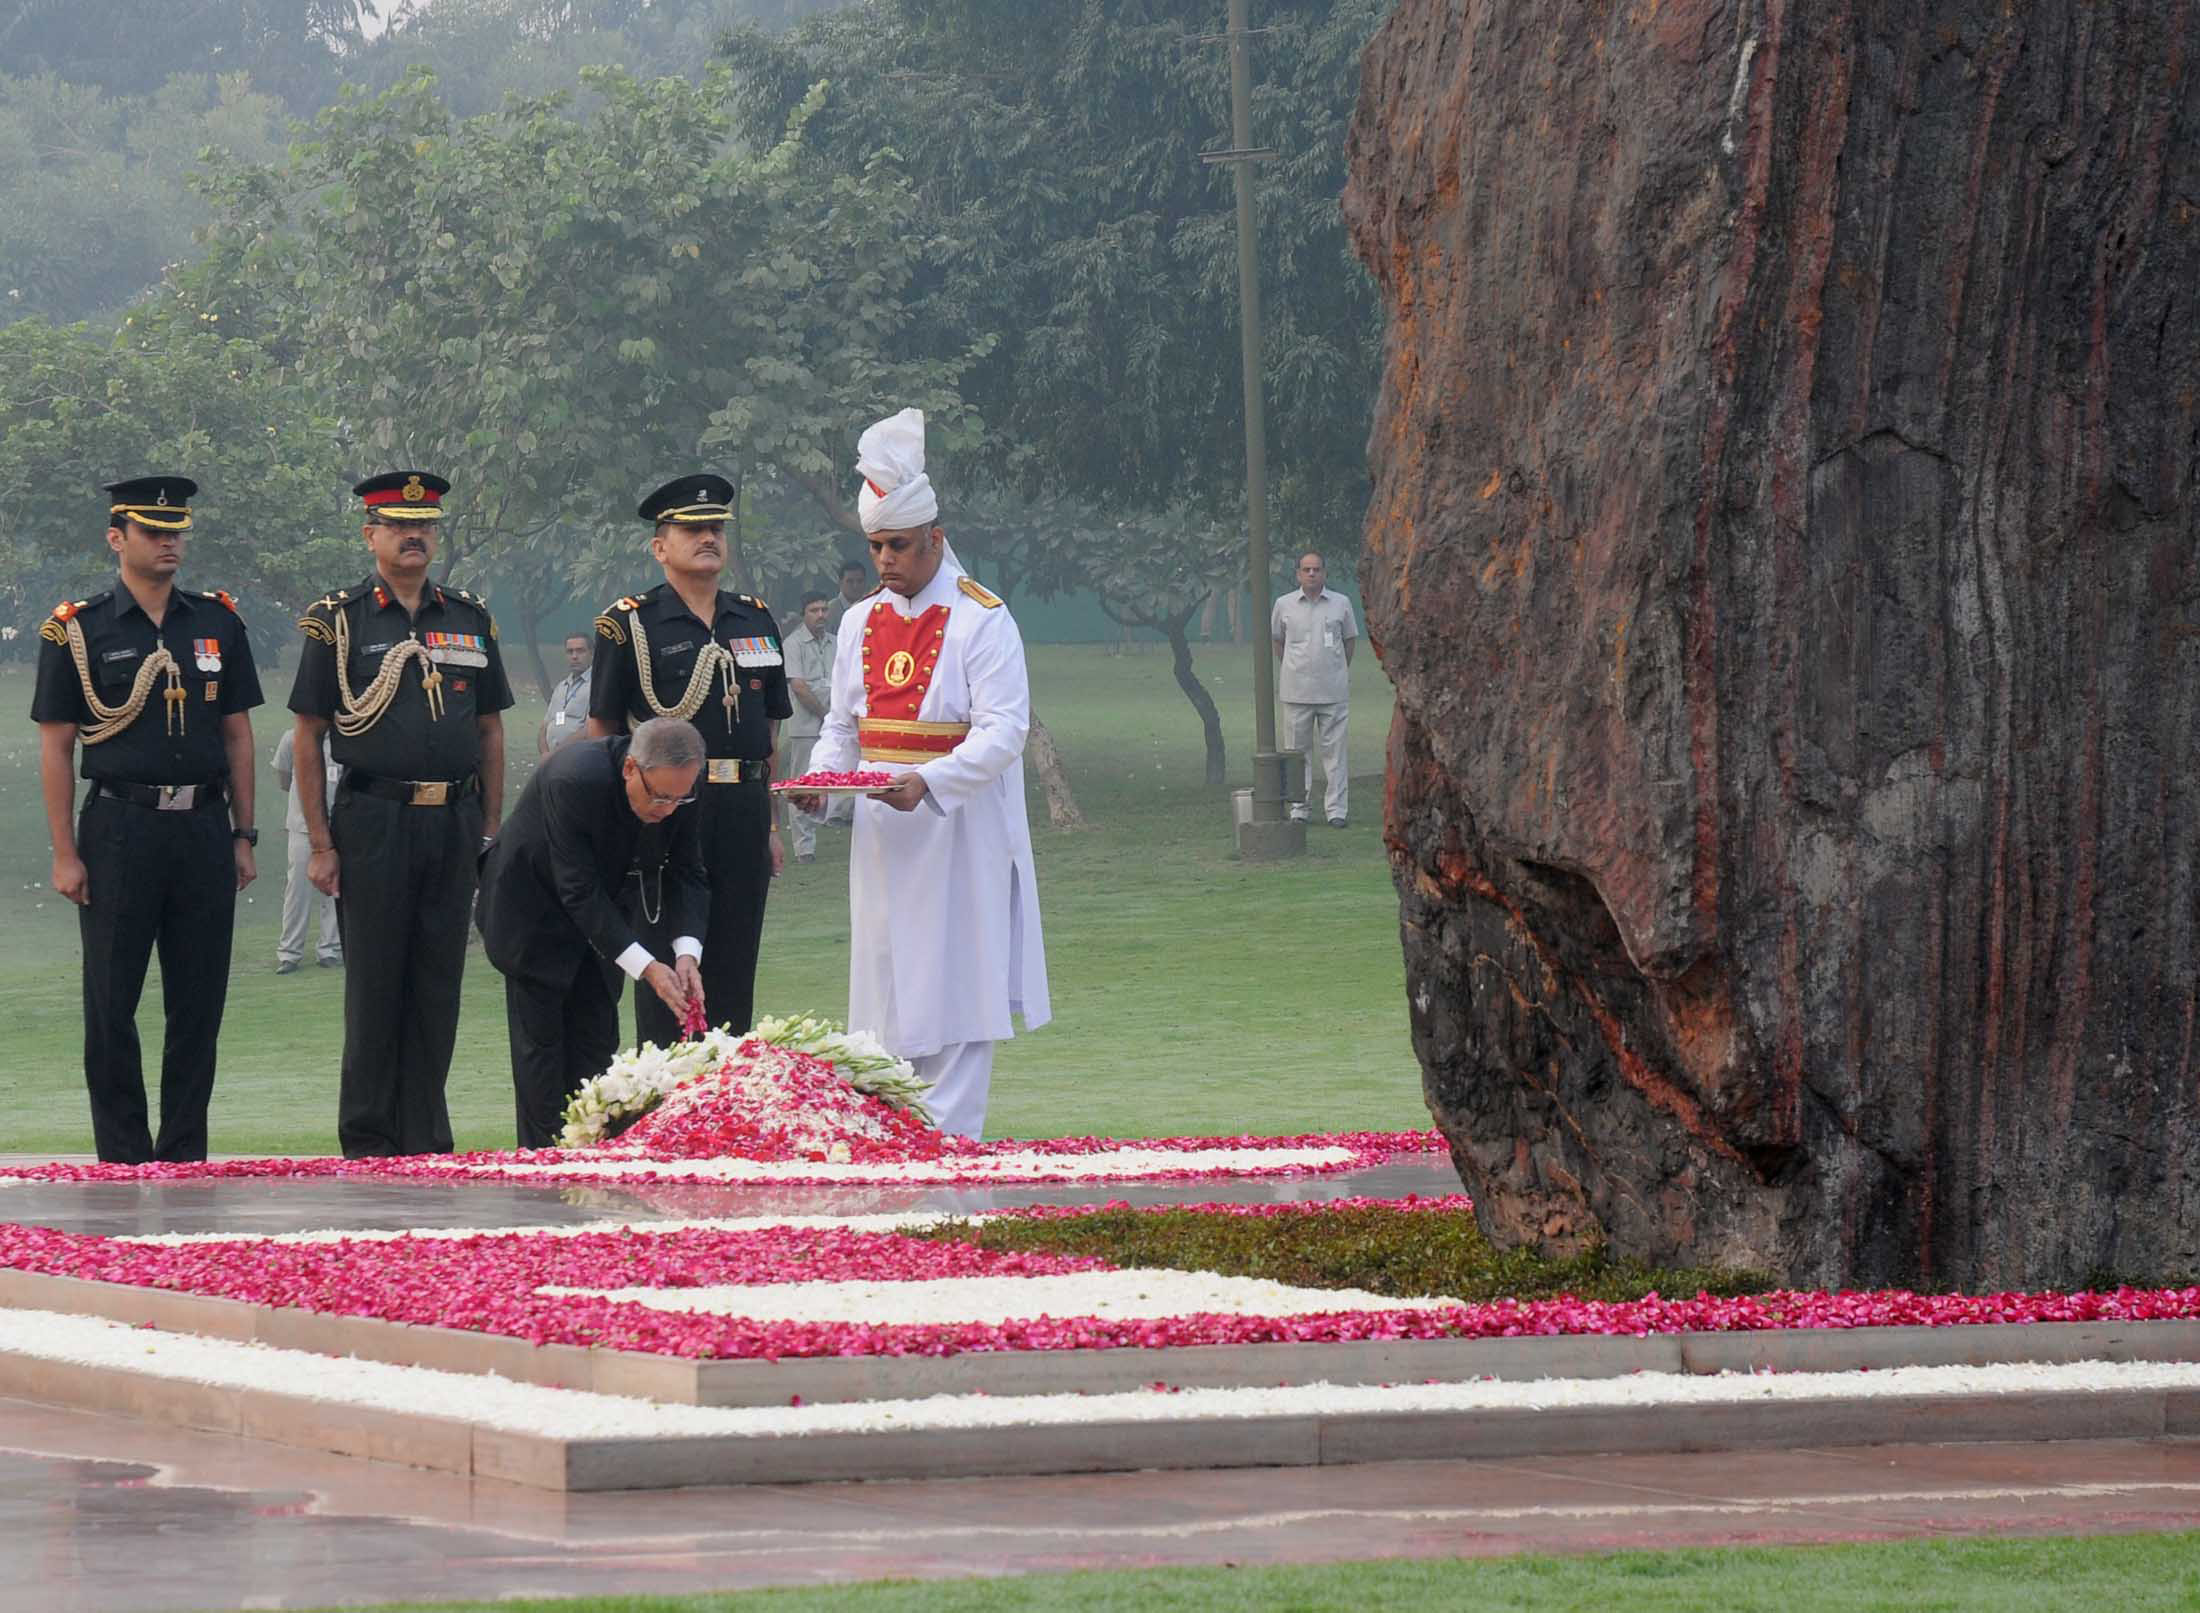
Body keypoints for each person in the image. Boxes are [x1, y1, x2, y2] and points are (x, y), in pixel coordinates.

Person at [797, 408, 1049, 1139]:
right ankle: (888, 1154)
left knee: (955, 988)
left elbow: (1006, 728)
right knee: (881, 988)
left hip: (958, 831)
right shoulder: (857, 621)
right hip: (880, 836)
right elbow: (843, 725)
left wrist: (932, 782)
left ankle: (952, 1159)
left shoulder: (984, 619)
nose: (885, 560)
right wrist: (822, 784)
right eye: (875, 546)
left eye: (899, 545)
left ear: (935, 537)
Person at [30, 474, 262, 1163]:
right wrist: (65, 852)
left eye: (177, 531)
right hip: (120, 829)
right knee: (111, 1002)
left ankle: (184, 1151)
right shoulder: (79, 629)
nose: (170, 542)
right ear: (116, 537)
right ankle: (124, 1154)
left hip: (201, 826)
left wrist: (244, 835)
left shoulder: (217, 622)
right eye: (154, 531)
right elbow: (57, 744)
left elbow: (238, 735)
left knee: (198, 1005)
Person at [289, 471, 513, 1158]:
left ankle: (426, 1135)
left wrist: (488, 830)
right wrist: (321, 842)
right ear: (371, 535)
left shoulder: (468, 618)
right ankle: (367, 1135)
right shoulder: (339, 619)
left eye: (426, 524)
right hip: (374, 817)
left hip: (451, 820)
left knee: (437, 983)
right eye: (397, 523)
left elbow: (491, 733)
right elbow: (309, 732)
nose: (414, 535)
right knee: (375, 985)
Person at [588, 473, 791, 1044]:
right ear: (660, 547)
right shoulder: (629, 624)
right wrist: (620, 823)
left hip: (744, 809)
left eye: (716, 529)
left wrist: (771, 822)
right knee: (668, 967)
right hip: (669, 813)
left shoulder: (755, 619)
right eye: (693, 529)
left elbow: (769, 729)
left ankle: (723, 1106)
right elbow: (603, 731)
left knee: (733, 962)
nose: (708, 538)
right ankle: (667, 1104)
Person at [478, 718, 708, 1148]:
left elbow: (688, 870)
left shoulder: (684, 780)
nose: (669, 809)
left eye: (680, 798)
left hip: (604, 920)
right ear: (630, 769)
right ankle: (543, 1174)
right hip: (532, 914)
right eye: (659, 797)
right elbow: (577, 889)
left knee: (597, 1051)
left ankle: (591, 1168)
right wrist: (648, 969)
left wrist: (685, 953)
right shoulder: (574, 778)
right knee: (542, 1062)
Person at [1271, 550, 1358, 828]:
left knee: (1335, 755)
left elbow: (1349, 642)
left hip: (1333, 692)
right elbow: (1277, 641)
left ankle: (1337, 811)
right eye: (1306, 569)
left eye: (1316, 569)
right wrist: (1295, 668)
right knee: (1297, 755)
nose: (1311, 574)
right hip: (1296, 693)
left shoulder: (1341, 603)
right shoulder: (1284, 605)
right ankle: (1299, 809)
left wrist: (1334, 669)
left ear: (1324, 573)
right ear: (1298, 573)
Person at [271, 726, 342, 972]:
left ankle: (330, 949)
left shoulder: (347, 739)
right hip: (302, 827)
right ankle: (290, 953)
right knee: (297, 890)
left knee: (335, 890)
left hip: (340, 827)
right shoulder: (292, 737)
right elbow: (284, 776)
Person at [780, 590, 836, 863]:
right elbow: (799, 687)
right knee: (803, 782)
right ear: (804, 613)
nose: (821, 615)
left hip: (836, 726)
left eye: (824, 610)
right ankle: (804, 848)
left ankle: (841, 823)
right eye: (815, 610)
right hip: (806, 725)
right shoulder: (793, 644)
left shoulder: (836, 642)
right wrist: (827, 714)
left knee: (839, 778)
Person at [537, 632, 593, 759]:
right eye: (570, 651)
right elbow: (544, 727)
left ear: (591, 653)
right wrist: (545, 755)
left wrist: (554, 754)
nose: (574, 656)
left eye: (580, 651)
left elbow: (590, 729)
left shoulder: (598, 686)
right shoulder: (561, 687)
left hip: (578, 759)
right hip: (551, 761)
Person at [829, 557, 870, 632]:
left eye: (860, 581)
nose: (855, 586)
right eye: (850, 581)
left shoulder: (871, 607)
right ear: (840, 583)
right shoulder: (829, 611)